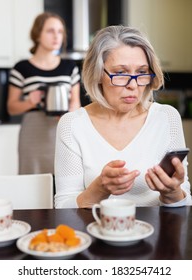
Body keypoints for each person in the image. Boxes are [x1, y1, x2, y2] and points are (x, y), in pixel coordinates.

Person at [54, 25, 192, 208]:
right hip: (95, 230)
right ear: (97, 74)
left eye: (142, 72)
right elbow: (63, 207)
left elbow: (185, 201)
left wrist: (172, 193)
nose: (133, 86)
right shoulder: (72, 124)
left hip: (157, 231)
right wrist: (100, 189)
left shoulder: (167, 118)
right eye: (120, 73)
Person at [7, 12, 81, 174]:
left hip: (62, 130)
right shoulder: (22, 68)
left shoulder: (70, 67)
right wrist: (29, 102)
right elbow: (12, 107)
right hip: (33, 134)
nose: (56, 36)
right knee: (32, 182)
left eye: (60, 32)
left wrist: (68, 116)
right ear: (37, 35)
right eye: (50, 31)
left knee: (64, 180)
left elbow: (75, 102)